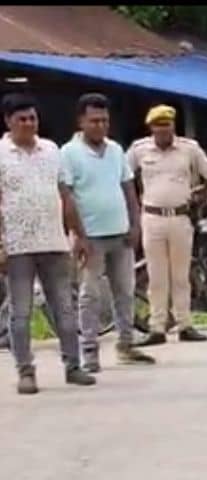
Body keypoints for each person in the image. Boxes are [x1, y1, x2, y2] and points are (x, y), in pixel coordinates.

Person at [0, 93, 96, 394]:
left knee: (64, 310)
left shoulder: (51, 150)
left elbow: (65, 195)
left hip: (54, 242)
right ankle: (26, 371)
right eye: (22, 119)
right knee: (21, 313)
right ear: (8, 121)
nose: (29, 124)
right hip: (16, 246)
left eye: (33, 118)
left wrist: (79, 235)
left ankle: (73, 366)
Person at [59, 93, 153, 372]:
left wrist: (135, 224)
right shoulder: (68, 153)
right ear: (81, 121)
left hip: (120, 233)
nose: (100, 126)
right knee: (90, 295)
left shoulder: (115, 150)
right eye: (94, 121)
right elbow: (66, 196)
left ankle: (126, 345)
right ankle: (89, 351)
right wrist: (79, 235)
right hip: (90, 237)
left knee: (125, 291)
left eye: (104, 121)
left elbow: (128, 189)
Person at [127, 104, 207, 346]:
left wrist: (200, 199)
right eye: (158, 126)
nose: (163, 130)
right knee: (156, 275)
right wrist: (133, 206)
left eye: (166, 125)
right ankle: (157, 327)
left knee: (181, 274)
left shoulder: (189, 149)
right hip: (152, 217)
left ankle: (185, 324)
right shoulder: (139, 150)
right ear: (151, 128)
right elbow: (124, 177)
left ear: (173, 126)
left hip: (180, 216)